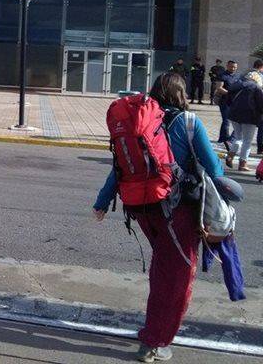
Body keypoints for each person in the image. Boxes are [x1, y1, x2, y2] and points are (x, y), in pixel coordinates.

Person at [93, 73, 224, 363]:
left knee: (163, 267)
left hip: (142, 209)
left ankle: (153, 328)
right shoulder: (189, 122)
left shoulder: (139, 121)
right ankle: (155, 341)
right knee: (178, 276)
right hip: (176, 211)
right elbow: (215, 170)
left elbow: (118, 167)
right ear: (181, 93)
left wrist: (102, 202)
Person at [225, 70, 263, 172]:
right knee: (247, 140)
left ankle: (230, 155)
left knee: (238, 137)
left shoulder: (237, 85)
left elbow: (228, 99)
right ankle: (242, 163)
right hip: (249, 117)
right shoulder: (256, 87)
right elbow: (261, 104)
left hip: (234, 114)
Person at [217, 60, 240, 148]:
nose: (233, 68)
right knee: (226, 121)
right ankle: (225, 140)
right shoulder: (222, 75)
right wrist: (229, 93)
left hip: (235, 102)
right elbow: (219, 88)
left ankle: (227, 140)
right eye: (231, 67)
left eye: (235, 67)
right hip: (225, 101)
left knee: (238, 122)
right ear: (227, 66)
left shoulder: (238, 76)